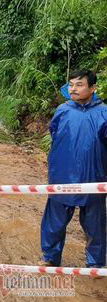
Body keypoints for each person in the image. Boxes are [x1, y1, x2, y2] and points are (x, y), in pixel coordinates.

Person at [40, 70, 106, 269]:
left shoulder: (103, 112)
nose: (73, 89)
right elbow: (54, 133)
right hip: (62, 175)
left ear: (93, 88)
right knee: (54, 222)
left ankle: (95, 263)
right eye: (71, 85)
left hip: (93, 176)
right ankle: (50, 257)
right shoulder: (63, 110)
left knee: (95, 225)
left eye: (79, 85)